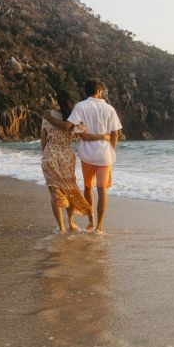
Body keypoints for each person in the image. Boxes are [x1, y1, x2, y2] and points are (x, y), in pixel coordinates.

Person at [46, 79, 122, 233]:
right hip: (105, 156)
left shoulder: (80, 106)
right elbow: (115, 134)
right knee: (102, 191)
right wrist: (111, 151)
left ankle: (91, 221)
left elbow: (69, 126)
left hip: (87, 155)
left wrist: (49, 118)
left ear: (86, 91)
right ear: (99, 91)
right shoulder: (110, 109)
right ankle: (100, 227)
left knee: (88, 188)